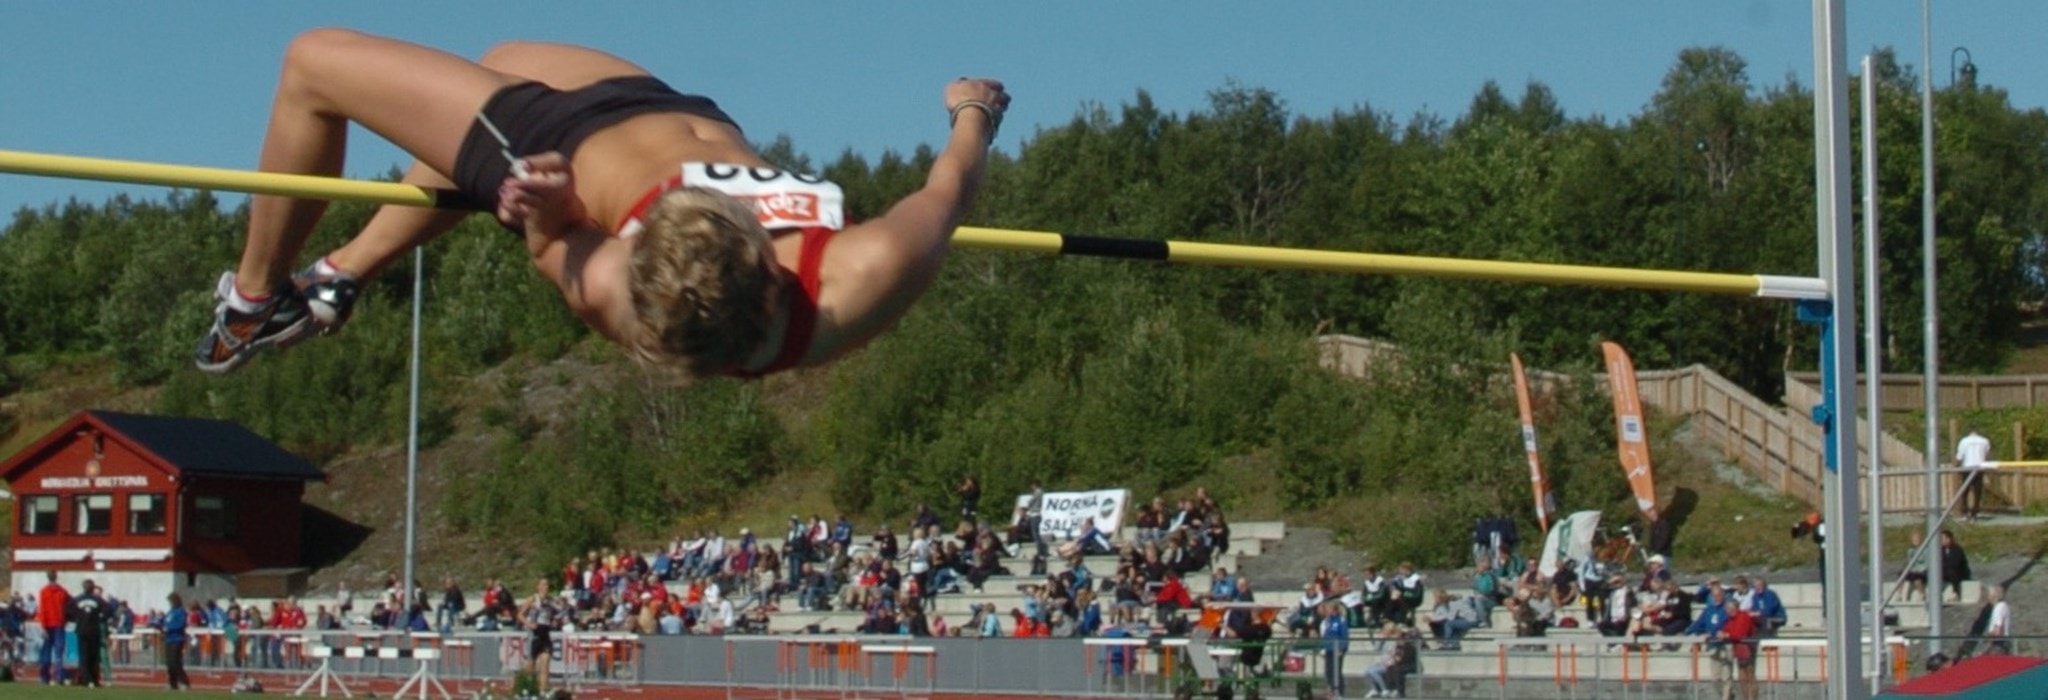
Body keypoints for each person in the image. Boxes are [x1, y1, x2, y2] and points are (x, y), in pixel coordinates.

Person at [192, 28, 1009, 382]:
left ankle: (255, 302)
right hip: (673, 109)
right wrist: (974, 109)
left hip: (557, 142)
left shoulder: (619, 295)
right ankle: (344, 273)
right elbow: (949, 188)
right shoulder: (865, 274)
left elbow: (552, 246)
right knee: (505, 56)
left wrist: (544, 206)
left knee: (312, 65)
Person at [519, 578, 561, 691]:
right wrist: (528, 624)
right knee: (530, 667)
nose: (545, 587)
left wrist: (554, 620)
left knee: (545, 664)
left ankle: (543, 692)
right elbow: (520, 615)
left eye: (546, 585)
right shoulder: (533, 599)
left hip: (545, 633)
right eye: (542, 585)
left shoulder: (551, 600)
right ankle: (524, 688)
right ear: (538, 587)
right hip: (534, 634)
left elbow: (557, 613)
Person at [67, 580, 109, 687]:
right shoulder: (98, 600)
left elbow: (68, 612)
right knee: (94, 656)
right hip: (94, 630)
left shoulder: (77, 599)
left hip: (82, 630)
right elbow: (108, 610)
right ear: (93, 588)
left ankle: (85, 679)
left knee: (83, 655)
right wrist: (101, 618)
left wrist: (77, 618)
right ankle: (94, 680)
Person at [35, 571, 69, 686]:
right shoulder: (62, 591)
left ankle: (44, 677)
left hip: (48, 624)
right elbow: (69, 605)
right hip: (59, 623)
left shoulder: (44, 591)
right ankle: (59, 677)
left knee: (46, 651)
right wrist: (66, 619)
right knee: (59, 652)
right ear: (56, 577)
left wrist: (43, 626)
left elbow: (43, 609)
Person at [1956, 428, 1994, 521]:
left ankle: (1965, 512)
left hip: (1967, 467)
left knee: (1965, 490)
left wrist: (1958, 465)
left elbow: (1959, 456)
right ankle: (1975, 513)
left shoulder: (1964, 441)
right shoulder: (1984, 441)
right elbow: (1987, 453)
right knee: (1977, 491)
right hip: (1979, 467)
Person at [160, 592, 193, 690]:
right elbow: (166, 622)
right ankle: (172, 683)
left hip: (177, 639)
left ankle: (184, 682)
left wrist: (169, 628)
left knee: (176, 662)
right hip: (168, 639)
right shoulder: (170, 612)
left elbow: (181, 624)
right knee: (169, 663)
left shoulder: (181, 611)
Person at [1319, 601, 1350, 697]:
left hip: (1337, 649)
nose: (1327, 611)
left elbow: (1344, 636)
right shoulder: (1327, 621)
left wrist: (1342, 649)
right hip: (1328, 649)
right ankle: (1331, 690)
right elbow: (1325, 635)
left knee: (1336, 671)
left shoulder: (1341, 620)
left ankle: (1340, 692)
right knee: (1328, 671)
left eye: (1329, 609)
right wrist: (1322, 648)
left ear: (1334, 610)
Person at [1940, 529, 1974, 603]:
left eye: (1942, 539)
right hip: (1946, 571)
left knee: (1952, 572)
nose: (1941, 541)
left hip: (1959, 572)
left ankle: (1956, 593)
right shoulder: (1941, 550)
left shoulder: (1957, 549)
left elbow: (1955, 564)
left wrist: (1945, 566)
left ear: (1948, 539)